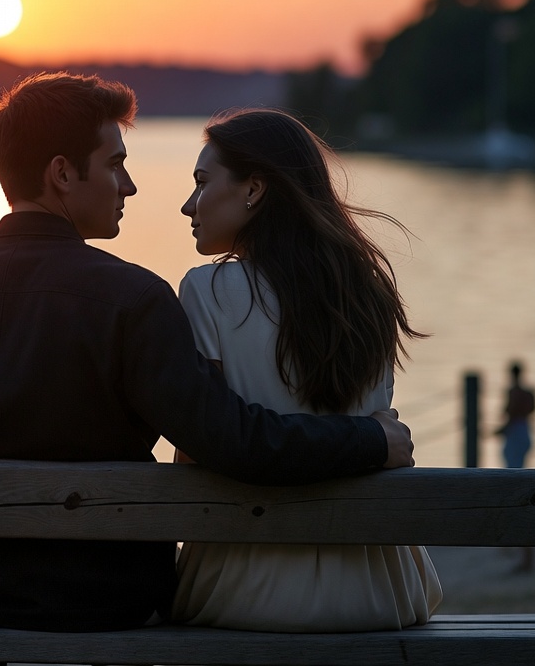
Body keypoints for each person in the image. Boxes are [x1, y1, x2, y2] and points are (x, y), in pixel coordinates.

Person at [0, 73, 415, 637]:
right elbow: (232, 440)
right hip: (105, 603)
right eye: (114, 164)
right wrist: (371, 438)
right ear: (62, 173)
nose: (129, 186)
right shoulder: (134, 300)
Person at [172, 107, 442, 632]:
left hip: (240, 592)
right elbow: (379, 432)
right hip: (381, 592)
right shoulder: (367, 293)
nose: (189, 204)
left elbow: (195, 459)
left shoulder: (205, 292)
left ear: (254, 190)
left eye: (203, 183)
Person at [496, 361, 535, 572]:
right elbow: (531, 410)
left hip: (515, 436)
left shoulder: (514, 392)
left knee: (515, 488)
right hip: (525, 433)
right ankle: (520, 549)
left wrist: (497, 431)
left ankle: (521, 549)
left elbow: (510, 414)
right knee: (519, 482)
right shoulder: (529, 392)